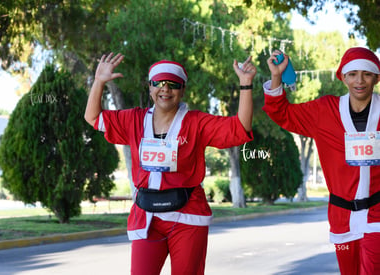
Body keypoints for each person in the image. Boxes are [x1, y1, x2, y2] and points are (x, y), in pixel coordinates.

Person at [84, 52, 256, 275]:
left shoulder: (196, 122)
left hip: (187, 216)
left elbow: (240, 129)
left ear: (182, 90)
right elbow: (94, 118)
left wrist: (245, 84)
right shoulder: (134, 119)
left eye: (173, 84)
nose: (165, 89)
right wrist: (99, 82)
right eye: (159, 83)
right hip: (147, 216)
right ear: (150, 87)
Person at [262, 47, 380, 275]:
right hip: (341, 217)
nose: (360, 80)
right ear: (343, 77)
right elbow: (281, 113)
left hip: (377, 215)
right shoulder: (324, 110)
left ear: (376, 77)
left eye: (366, 74)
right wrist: (277, 76)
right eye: (353, 74)